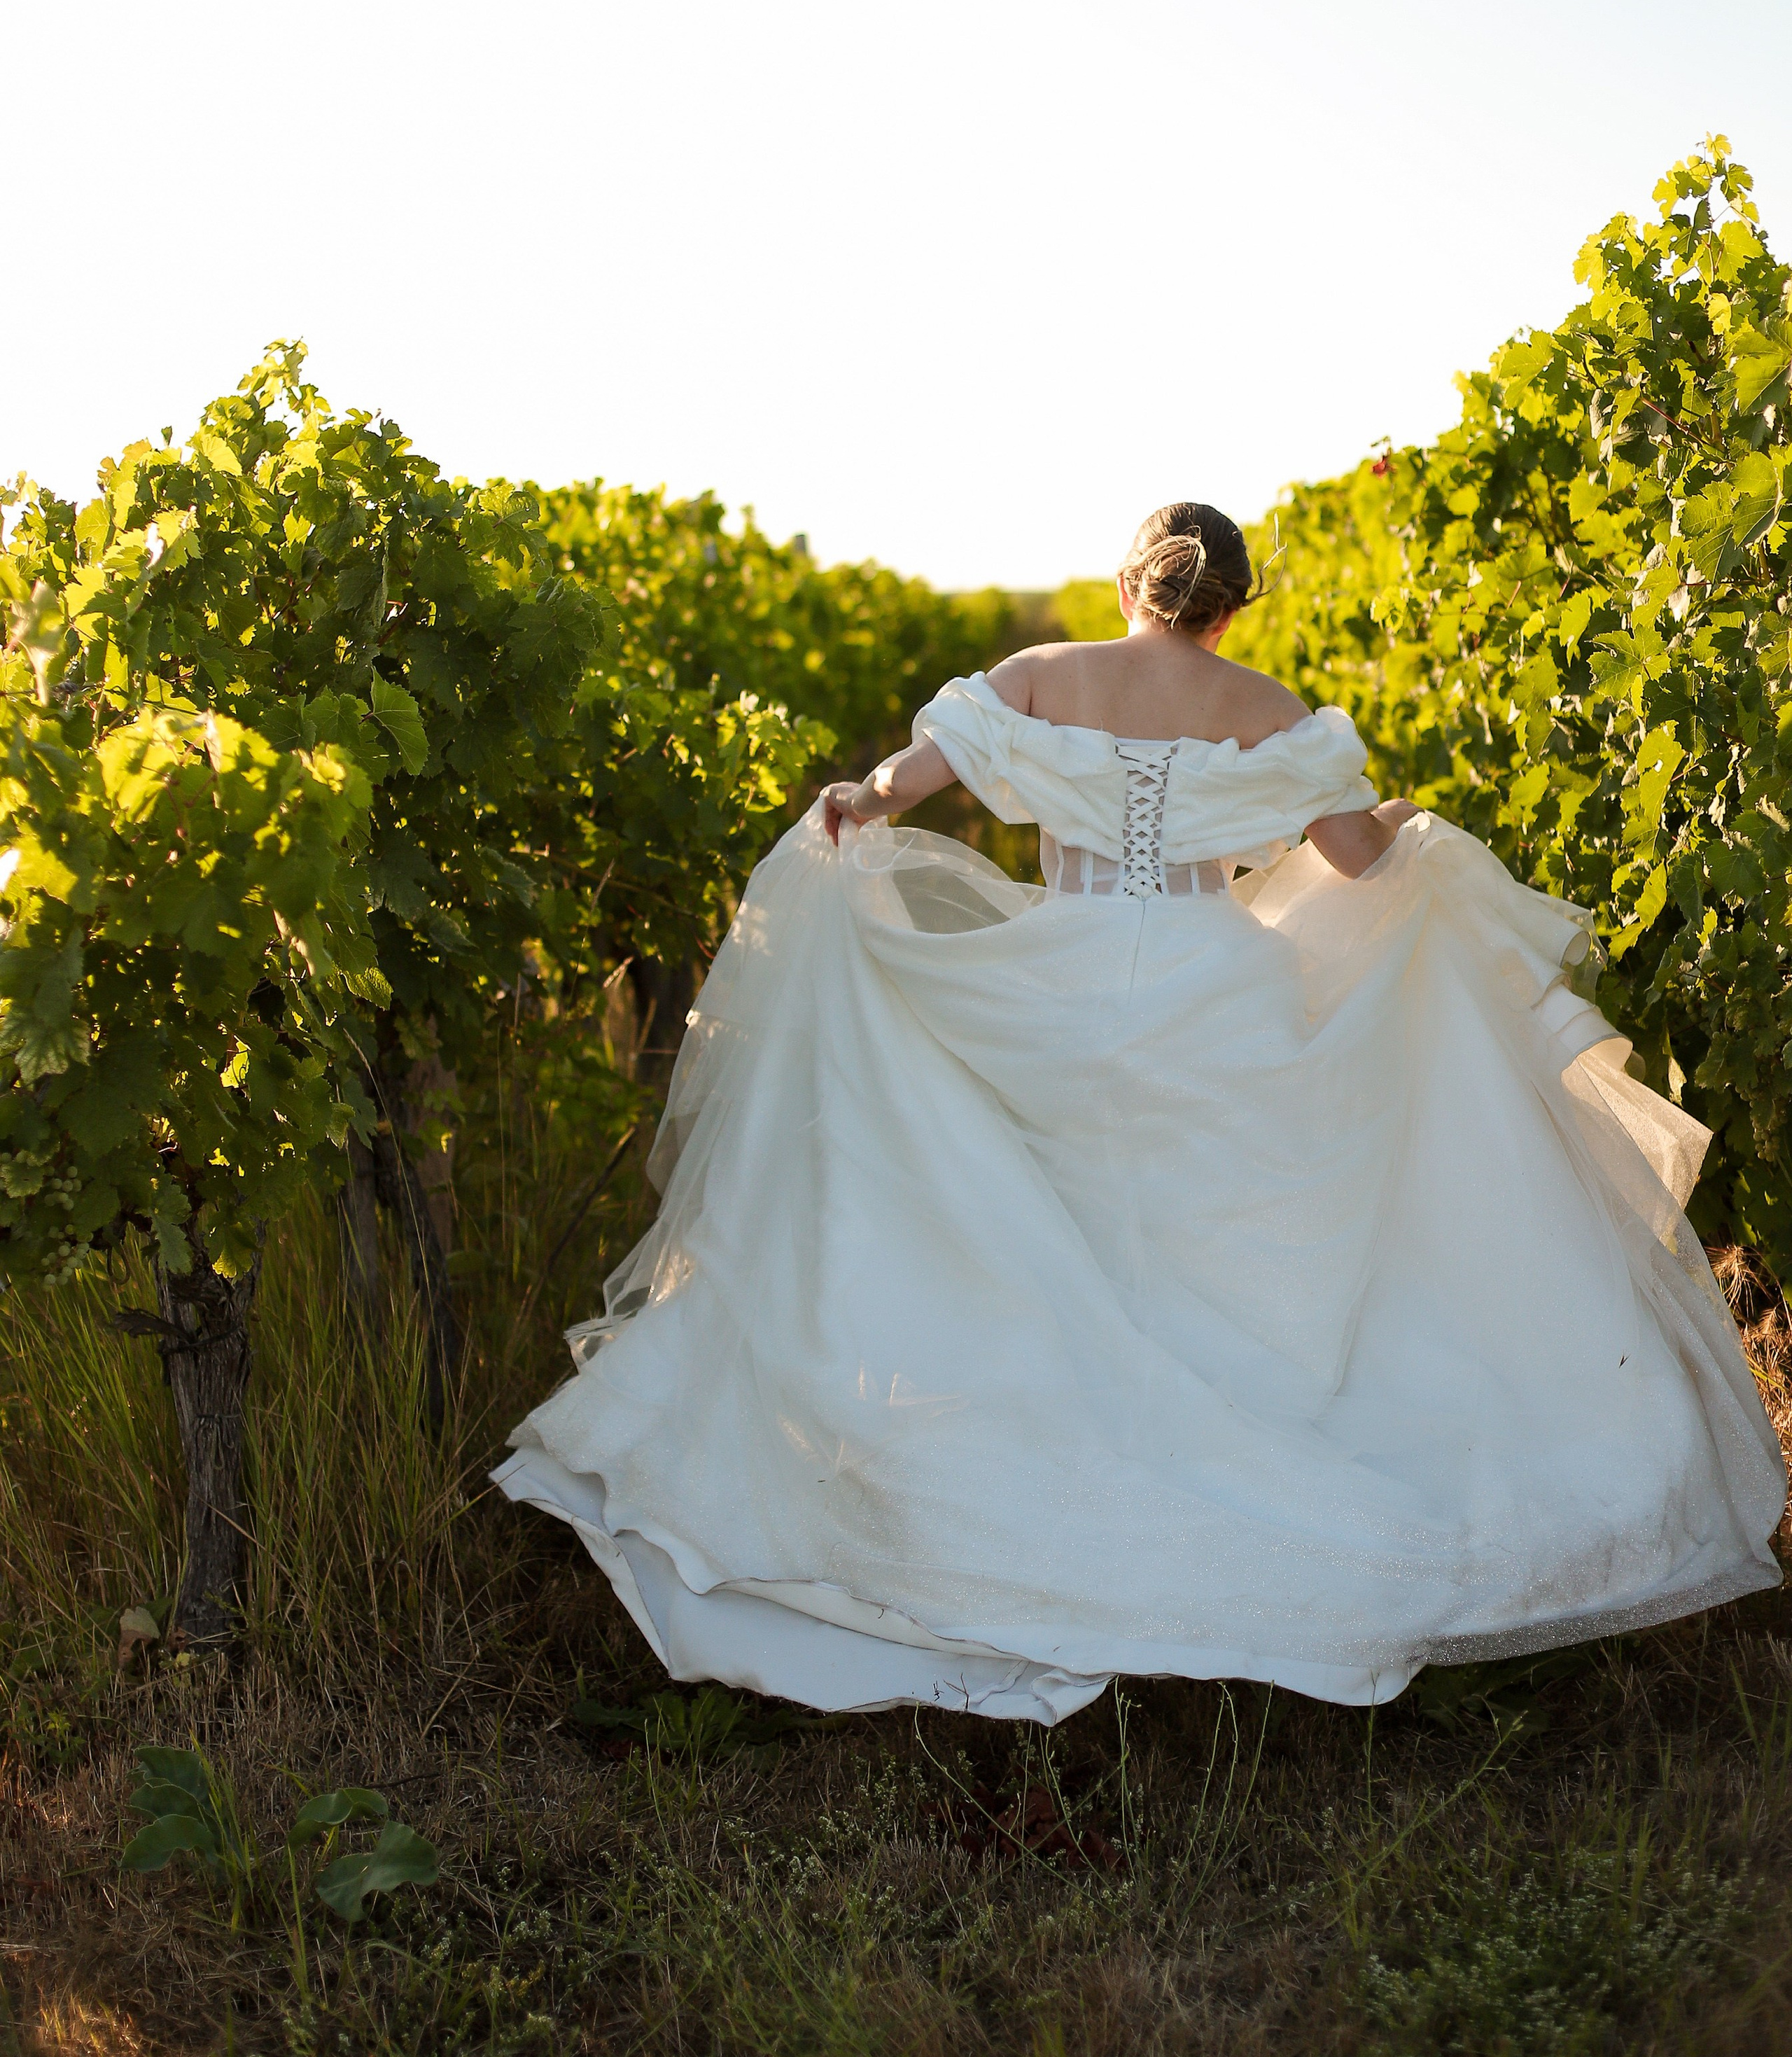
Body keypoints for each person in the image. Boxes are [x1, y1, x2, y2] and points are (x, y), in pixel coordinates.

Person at [494, 502, 1786, 1718]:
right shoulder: (1268, 707)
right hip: (1212, 979)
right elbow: (1356, 862)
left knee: (1039, 1209)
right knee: (1202, 1227)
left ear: (1132, 585)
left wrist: (857, 806)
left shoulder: (1045, 673)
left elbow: (912, 775)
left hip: (1051, 976)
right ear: (1231, 610)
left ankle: (1011, 1486)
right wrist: (1406, 827)